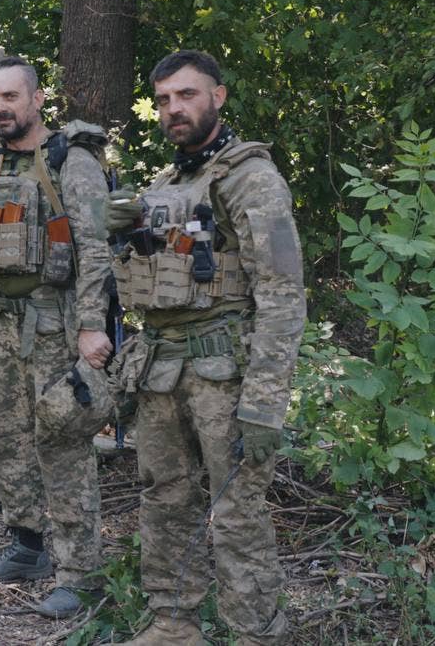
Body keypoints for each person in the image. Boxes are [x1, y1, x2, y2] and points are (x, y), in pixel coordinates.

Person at [106, 50, 305, 646]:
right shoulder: (168, 184)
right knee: (164, 498)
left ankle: (256, 634)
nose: (174, 109)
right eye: (164, 100)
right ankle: (173, 621)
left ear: (217, 97)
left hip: (226, 373)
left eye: (187, 95)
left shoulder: (252, 178)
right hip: (163, 368)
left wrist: (266, 401)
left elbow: (282, 291)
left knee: (238, 512)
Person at [0, 57, 112, 617]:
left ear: (37, 99)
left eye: (11, 98)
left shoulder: (73, 161)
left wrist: (91, 326)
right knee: (5, 438)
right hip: (5, 326)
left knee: (61, 444)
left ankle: (80, 570)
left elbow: (94, 250)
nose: (1, 109)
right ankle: (28, 547)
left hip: (57, 326)